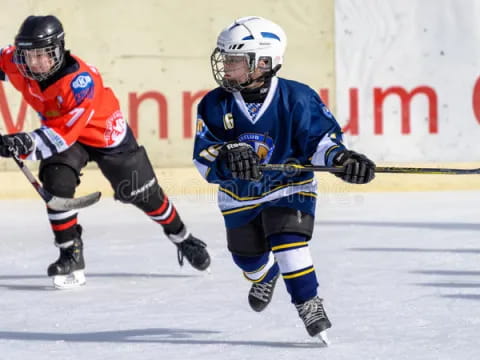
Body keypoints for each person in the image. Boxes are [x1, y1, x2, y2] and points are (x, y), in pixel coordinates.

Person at [193, 16, 375, 341]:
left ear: (263, 62)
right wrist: (227, 158)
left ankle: (309, 303)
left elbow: (320, 143)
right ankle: (266, 272)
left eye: (234, 60)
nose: (225, 66)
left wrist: (341, 160)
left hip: (289, 186)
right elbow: (203, 157)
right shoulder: (213, 104)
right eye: (225, 58)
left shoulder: (298, 98)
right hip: (239, 195)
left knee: (290, 243)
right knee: (247, 261)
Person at [0, 15, 211, 289]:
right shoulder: (18, 62)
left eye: (44, 54)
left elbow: (62, 135)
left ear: (59, 49)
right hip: (64, 137)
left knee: (142, 193)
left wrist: (23, 143)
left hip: (103, 135)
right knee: (56, 181)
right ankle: (70, 255)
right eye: (30, 55)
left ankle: (182, 237)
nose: (36, 62)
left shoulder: (80, 82)